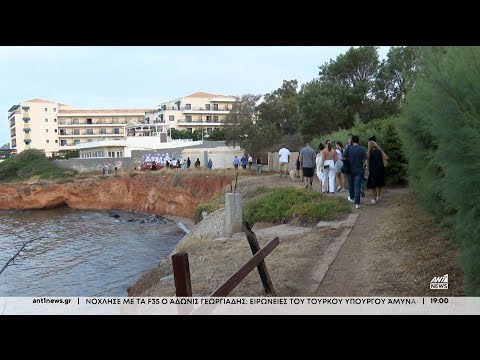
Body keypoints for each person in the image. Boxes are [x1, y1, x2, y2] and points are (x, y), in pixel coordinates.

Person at [343, 135, 367, 209]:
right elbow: (365, 161)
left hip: (350, 170)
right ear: (358, 141)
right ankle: (357, 204)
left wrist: (347, 160)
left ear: (352, 141)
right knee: (358, 186)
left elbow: (343, 157)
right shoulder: (362, 149)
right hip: (359, 170)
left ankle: (352, 198)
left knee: (351, 185)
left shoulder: (348, 148)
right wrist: (364, 167)